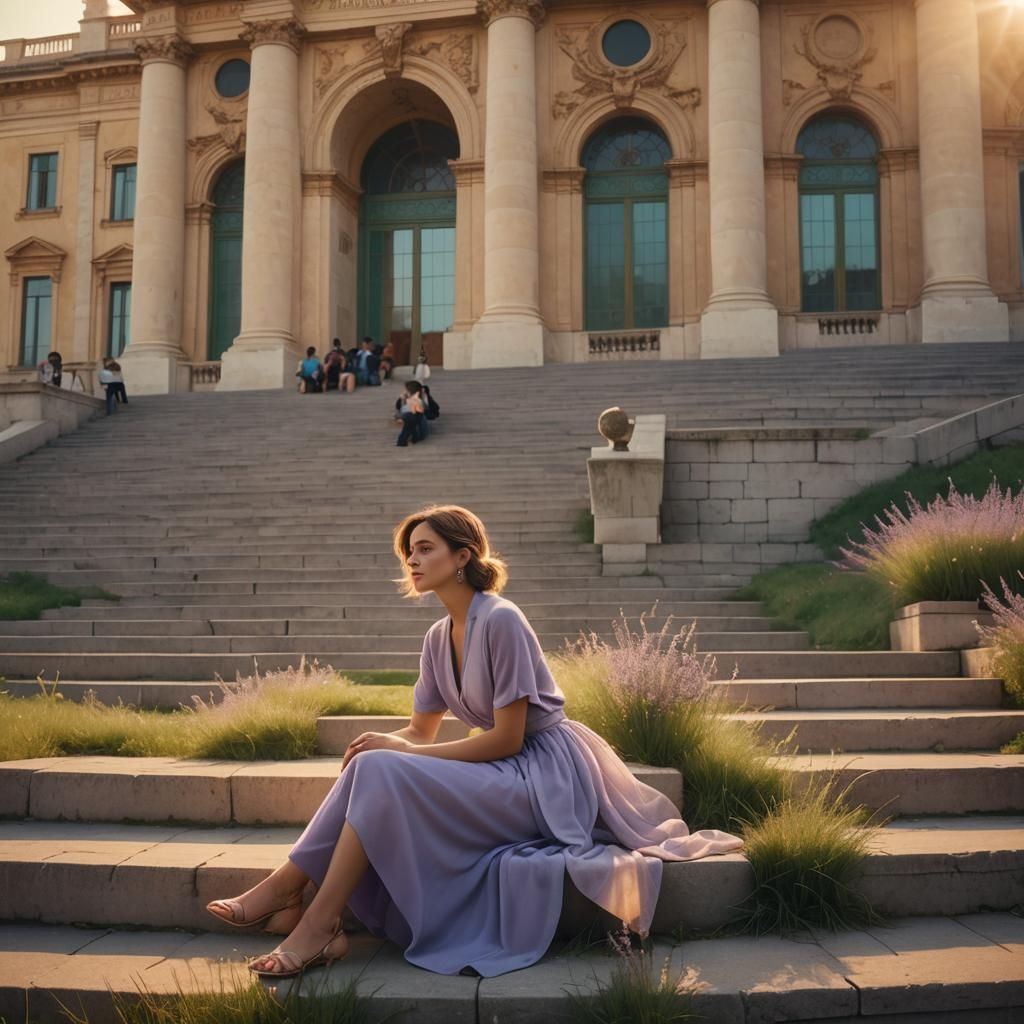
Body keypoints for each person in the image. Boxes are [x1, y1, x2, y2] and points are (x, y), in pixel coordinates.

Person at [205, 505, 743, 979]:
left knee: (385, 767)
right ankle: (298, 899)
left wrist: (408, 754)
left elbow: (508, 739)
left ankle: (306, 909)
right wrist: (386, 742)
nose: (411, 562)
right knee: (370, 762)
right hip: (501, 768)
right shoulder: (438, 637)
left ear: (462, 556)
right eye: (407, 553)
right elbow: (420, 731)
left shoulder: (502, 620)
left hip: (545, 777)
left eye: (424, 549)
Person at [395, 380, 427, 447]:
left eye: (406, 391)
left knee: (404, 415)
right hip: (422, 431)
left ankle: (402, 442)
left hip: (416, 434)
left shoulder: (408, 406)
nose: (404, 392)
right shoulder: (421, 400)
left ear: (409, 392)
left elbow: (399, 408)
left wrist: (401, 400)